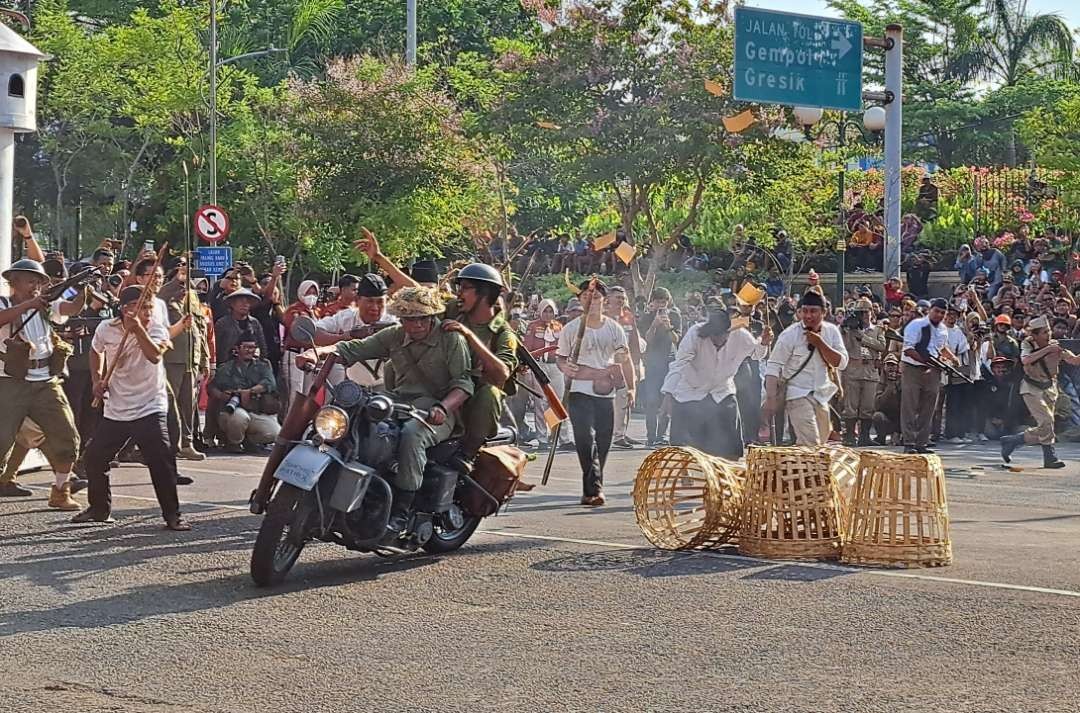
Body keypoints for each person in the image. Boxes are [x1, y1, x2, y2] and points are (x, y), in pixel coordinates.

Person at [296, 286, 473, 539]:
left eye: (422, 317)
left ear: (433, 316)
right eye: (410, 319)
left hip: (437, 410)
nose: (417, 324)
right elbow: (351, 349)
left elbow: (464, 384)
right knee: (353, 419)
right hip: (397, 401)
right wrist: (315, 353)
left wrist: (443, 407)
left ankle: (400, 513)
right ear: (401, 319)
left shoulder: (451, 340)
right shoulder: (394, 335)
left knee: (412, 435)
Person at [356, 231, 517, 469]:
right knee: (391, 369)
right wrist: (379, 258)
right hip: (436, 389)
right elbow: (417, 294)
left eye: (466, 288)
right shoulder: (454, 308)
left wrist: (469, 336)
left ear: (485, 294)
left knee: (490, 394)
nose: (459, 293)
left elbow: (502, 374)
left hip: (470, 401)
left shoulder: (504, 334)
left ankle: (468, 453)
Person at [72, 286, 189, 530]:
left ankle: (172, 515)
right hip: (117, 406)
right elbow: (95, 350)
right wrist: (97, 379)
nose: (147, 312)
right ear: (125, 309)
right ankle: (99, 509)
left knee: (161, 460)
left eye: (149, 307)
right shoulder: (107, 328)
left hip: (149, 405)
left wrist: (137, 330)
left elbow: (154, 356)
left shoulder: (156, 327)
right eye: (141, 307)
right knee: (94, 458)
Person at [0, 258, 87, 506]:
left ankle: (61, 491)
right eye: (30, 280)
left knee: (68, 438)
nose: (36, 285)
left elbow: (72, 309)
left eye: (38, 281)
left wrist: (85, 287)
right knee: (1, 439)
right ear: (13, 282)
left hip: (46, 381)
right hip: (9, 381)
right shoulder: (5, 303)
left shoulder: (46, 305)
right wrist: (29, 304)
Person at [557, 280, 633, 506]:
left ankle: (592, 485)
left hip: (605, 391)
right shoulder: (571, 329)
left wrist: (631, 387)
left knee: (603, 441)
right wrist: (564, 367)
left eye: (597, 298)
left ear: (604, 300)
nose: (592, 301)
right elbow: (561, 358)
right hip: (579, 390)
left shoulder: (614, 328)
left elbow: (624, 357)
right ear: (580, 300)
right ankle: (594, 489)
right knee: (584, 438)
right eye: (586, 298)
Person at [661, 303, 770, 458]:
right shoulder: (695, 334)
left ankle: (728, 472)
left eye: (722, 336)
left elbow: (756, 354)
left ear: (729, 331)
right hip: (691, 390)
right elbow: (679, 364)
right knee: (687, 447)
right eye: (715, 336)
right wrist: (668, 394)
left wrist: (764, 342)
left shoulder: (741, 335)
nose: (719, 340)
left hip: (722, 390)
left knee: (729, 444)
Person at [762, 290, 847, 446]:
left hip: (822, 395)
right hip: (797, 394)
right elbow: (773, 367)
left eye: (813, 311)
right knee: (811, 444)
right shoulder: (789, 335)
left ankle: (801, 470)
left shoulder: (832, 331)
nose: (808, 316)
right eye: (805, 311)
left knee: (820, 446)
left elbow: (841, 363)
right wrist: (770, 398)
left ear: (824, 312)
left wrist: (820, 343)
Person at [1000, 315, 1080, 468]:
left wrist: (1056, 350)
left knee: (1046, 425)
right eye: (1044, 332)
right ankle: (1050, 456)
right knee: (1046, 422)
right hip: (1031, 387)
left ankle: (1013, 441)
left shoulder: (1055, 345)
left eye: (1048, 331)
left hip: (1049, 388)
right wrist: (1047, 350)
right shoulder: (1027, 344)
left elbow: (1074, 360)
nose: (1048, 335)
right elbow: (1026, 360)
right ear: (1035, 335)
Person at [313, 273, 394, 387]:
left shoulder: (394, 322)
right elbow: (314, 332)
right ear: (358, 300)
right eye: (370, 301)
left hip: (387, 388)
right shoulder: (346, 317)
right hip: (352, 387)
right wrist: (345, 337)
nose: (375, 308)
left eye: (380, 302)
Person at [900, 298, 956, 454]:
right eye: (936, 311)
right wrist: (927, 362)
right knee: (909, 405)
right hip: (913, 367)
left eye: (942, 313)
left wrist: (951, 358)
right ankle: (909, 442)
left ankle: (922, 443)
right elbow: (908, 349)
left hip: (933, 370)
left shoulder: (943, 329)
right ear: (930, 310)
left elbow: (941, 347)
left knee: (929, 406)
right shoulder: (916, 325)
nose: (939, 315)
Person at [209, 336, 281, 453]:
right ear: (237, 349)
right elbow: (212, 388)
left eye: (252, 347)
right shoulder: (226, 368)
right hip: (232, 410)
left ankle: (249, 441)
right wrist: (223, 395)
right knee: (240, 418)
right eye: (246, 347)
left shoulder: (262, 366)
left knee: (275, 433)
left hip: (254, 410)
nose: (249, 350)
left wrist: (251, 391)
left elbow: (270, 383)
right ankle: (233, 442)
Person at [524, 298, 571, 450]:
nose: (548, 314)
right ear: (540, 311)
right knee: (541, 403)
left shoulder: (558, 327)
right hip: (540, 366)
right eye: (545, 311)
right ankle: (542, 438)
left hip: (555, 366)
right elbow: (527, 349)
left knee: (558, 402)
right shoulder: (532, 326)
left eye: (551, 311)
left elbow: (563, 347)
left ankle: (562, 438)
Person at [839, 297, 886, 446]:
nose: (865, 315)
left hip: (870, 370)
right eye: (861, 312)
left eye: (867, 311)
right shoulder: (850, 330)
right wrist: (845, 329)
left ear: (872, 312)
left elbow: (881, 346)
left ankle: (865, 436)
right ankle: (850, 436)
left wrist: (863, 338)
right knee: (851, 406)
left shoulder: (877, 330)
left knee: (868, 406)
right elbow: (844, 346)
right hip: (853, 369)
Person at [638, 287, 681, 448]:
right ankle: (651, 435)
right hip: (651, 361)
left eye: (664, 302)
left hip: (669, 360)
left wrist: (668, 326)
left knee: (667, 399)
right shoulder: (646, 317)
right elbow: (646, 340)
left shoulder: (675, 315)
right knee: (651, 400)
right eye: (658, 302)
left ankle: (661, 434)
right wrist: (654, 325)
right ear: (652, 303)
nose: (661, 305)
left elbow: (676, 339)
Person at [602, 286, 640, 449]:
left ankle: (620, 433)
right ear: (607, 300)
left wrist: (637, 363)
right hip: (606, 364)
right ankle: (612, 434)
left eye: (623, 298)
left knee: (627, 396)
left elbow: (634, 341)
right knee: (610, 400)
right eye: (617, 297)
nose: (620, 301)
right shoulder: (602, 318)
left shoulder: (628, 317)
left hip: (625, 361)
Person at [214, 288, 267, 366]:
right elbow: (216, 348)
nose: (244, 304)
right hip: (227, 367)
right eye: (240, 301)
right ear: (232, 304)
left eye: (247, 302)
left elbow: (262, 347)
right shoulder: (222, 323)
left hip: (251, 367)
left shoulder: (255, 323)